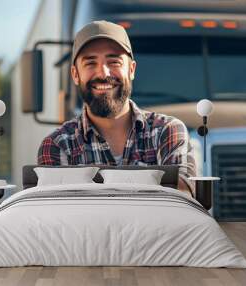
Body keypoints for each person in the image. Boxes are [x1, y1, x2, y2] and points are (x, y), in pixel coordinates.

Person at [37, 20, 196, 196]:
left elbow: (182, 202)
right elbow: (56, 217)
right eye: (90, 63)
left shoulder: (167, 132)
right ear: (75, 74)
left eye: (114, 62)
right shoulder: (58, 146)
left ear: (132, 70)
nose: (103, 73)